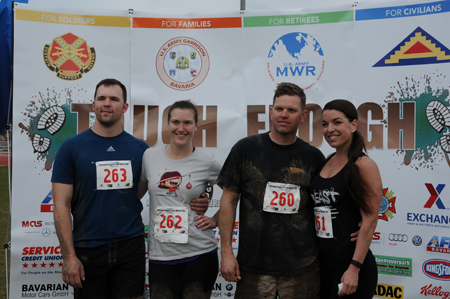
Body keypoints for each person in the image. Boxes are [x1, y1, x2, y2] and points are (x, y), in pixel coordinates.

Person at [52, 79, 208, 299]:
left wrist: (199, 197)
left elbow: (155, 188)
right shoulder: (71, 148)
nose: (107, 103)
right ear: (93, 104)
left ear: (125, 107)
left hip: (130, 248)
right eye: (101, 98)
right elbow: (60, 205)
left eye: (114, 99)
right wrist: (68, 257)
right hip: (88, 248)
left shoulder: (141, 150)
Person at [218, 82, 326, 298]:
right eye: (279, 109)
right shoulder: (245, 149)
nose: (284, 114)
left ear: (303, 116)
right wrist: (227, 252)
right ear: (271, 110)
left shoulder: (313, 157)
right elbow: (228, 201)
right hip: (253, 267)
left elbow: (325, 205)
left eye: (292, 110)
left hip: (302, 269)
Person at [137, 100, 221, 299]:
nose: (181, 128)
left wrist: (216, 218)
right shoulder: (149, 156)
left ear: (196, 126)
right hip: (160, 256)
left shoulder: (207, 161)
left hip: (200, 253)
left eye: (187, 123)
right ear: (168, 124)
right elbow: (135, 195)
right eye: (175, 122)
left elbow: (235, 192)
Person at [310, 99, 382, 298]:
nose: (329, 129)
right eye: (325, 124)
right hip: (323, 267)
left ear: (353, 125)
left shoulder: (363, 165)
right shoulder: (326, 161)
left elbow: (370, 220)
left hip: (351, 269)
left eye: (337, 122)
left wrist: (354, 268)